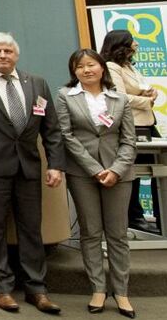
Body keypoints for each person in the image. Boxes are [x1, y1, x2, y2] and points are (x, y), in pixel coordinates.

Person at [0, 33, 64, 314]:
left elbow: (52, 129)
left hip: (29, 168)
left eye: (8, 51)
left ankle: (37, 289)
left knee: (31, 229)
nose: (2, 55)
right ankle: (2, 288)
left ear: (16, 55)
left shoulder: (37, 82)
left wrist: (55, 164)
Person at [55, 48, 137, 318]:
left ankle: (121, 292)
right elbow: (66, 135)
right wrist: (94, 169)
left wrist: (116, 169)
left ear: (102, 67)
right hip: (82, 174)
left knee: (117, 234)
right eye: (79, 66)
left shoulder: (120, 98)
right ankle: (98, 289)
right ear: (74, 71)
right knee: (90, 232)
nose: (86, 70)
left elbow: (129, 140)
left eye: (91, 64)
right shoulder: (65, 96)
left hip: (118, 174)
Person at [100, 29, 161, 234]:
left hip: (147, 124)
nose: (136, 44)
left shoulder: (129, 66)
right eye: (133, 41)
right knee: (131, 174)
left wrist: (150, 92)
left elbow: (138, 89)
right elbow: (120, 97)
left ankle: (159, 217)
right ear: (122, 44)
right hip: (131, 126)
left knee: (156, 171)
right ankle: (134, 217)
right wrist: (147, 100)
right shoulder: (111, 67)